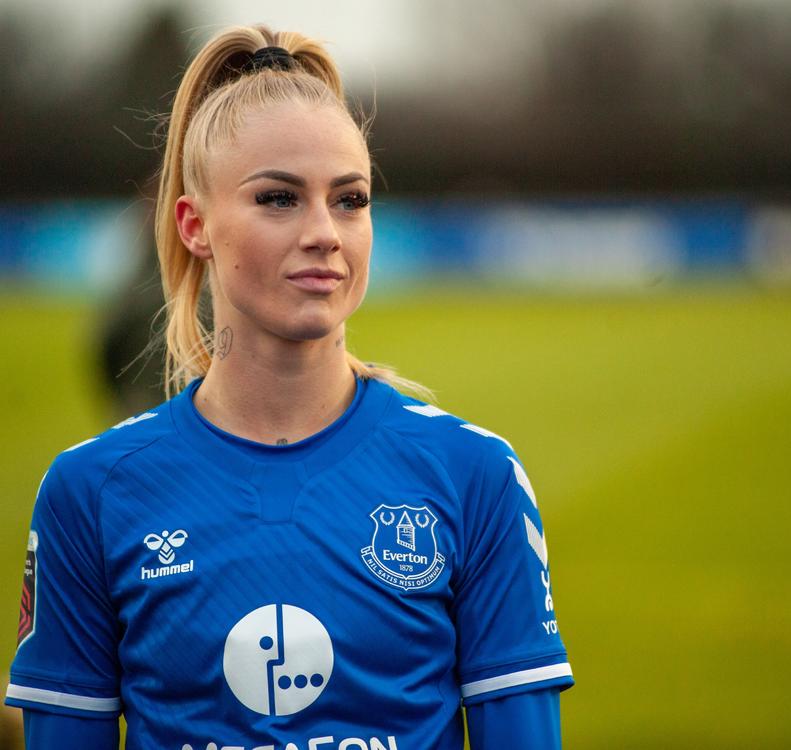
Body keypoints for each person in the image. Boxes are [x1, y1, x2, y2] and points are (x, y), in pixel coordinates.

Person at [4, 25, 572, 750]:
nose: (325, 232)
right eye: (279, 198)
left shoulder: (476, 475)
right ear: (194, 225)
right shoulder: (90, 492)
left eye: (350, 199)